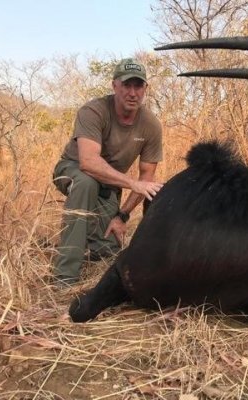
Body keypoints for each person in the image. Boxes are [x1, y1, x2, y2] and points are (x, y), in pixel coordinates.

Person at [52, 58, 163, 286]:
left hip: (108, 184)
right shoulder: (94, 110)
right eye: (127, 86)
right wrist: (132, 183)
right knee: (86, 183)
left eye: (138, 86)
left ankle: (89, 247)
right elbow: (88, 162)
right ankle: (65, 277)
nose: (133, 93)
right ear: (115, 86)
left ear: (145, 89)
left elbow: (147, 179)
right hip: (72, 169)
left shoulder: (151, 124)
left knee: (108, 250)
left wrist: (122, 215)